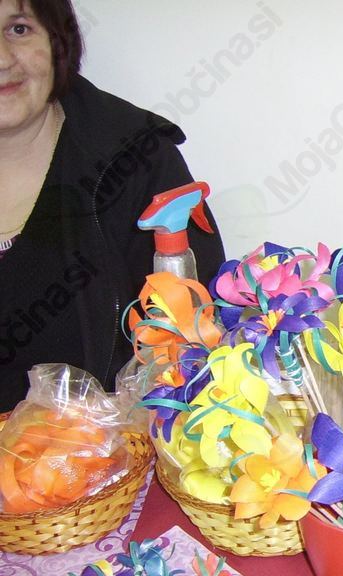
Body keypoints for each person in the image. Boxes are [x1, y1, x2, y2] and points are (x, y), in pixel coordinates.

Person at [0, 0, 224, 411]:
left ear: (56, 39)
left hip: (105, 447)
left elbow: (196, 362)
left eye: (18, 29)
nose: (1, 59)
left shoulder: (139, 162)